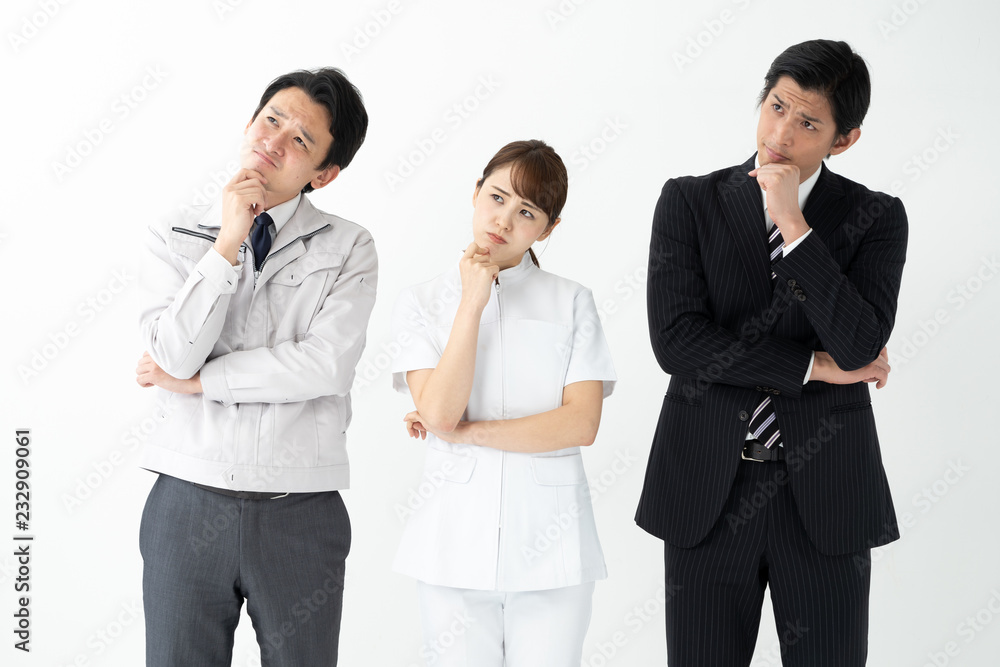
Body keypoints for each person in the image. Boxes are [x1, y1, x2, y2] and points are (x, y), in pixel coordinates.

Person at [635, 40, 908, 666]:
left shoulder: (877, 217)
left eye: (807, 121)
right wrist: (811, 366)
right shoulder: (689, 201)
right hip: (707, 488)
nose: (780, 132)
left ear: (844, 140)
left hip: (826, 495)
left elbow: (861, 344)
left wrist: (795, 226)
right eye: (776, 106)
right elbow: (677, 342)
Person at [134, 67, 376, 666]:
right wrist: (225, 247)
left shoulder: (349, 247)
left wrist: (200, 383)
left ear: (326, 173)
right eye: (272, 120)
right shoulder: (176, 232)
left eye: (301, 139)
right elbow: (172, 352)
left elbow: (324, 366)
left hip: (300, 509)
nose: (275, 140)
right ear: (249, 123)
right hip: (187, 499)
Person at [392, 140, 616, 666]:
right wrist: (472, 300)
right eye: (496, 197)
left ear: (548, 228)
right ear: (475, 193)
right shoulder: (423, 302)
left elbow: (581, 424)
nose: (503, 220)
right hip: (450, 544)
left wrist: (466, 433)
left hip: (552, 548)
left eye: (526, 212)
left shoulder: (571, 300)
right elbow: (442, 413)